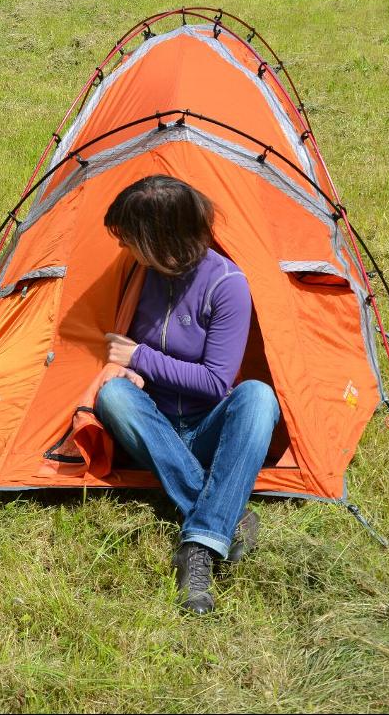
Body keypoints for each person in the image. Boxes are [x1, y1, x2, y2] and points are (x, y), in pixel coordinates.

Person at [95, 174, 280, 615]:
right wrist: (132, 373)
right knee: (112, 397)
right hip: (158, 428)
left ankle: (197, 547)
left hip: (208, 426)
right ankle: (226, 516)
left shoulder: (227, 284)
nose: (124, 249)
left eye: (131, 239)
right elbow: (124, 360)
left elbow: (217, 382)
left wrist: (140, 357)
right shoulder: (139, 276)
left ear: (160, 238)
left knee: (258, 397)